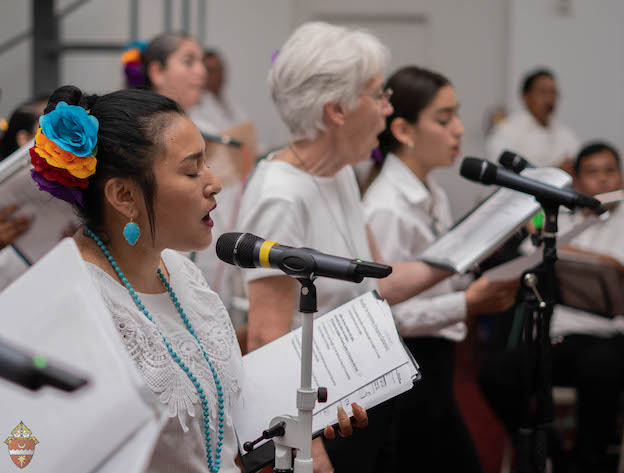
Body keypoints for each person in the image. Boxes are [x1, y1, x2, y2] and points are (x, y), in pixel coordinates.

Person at [29, 85, 366, 473]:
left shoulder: (183, 273)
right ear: (123, 195)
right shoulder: (75, 305)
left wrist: (300, 424)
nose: (214, 182)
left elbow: (222, 430)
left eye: (206, 163)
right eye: (192, 170)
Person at [236, 22, 460, 473]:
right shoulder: (281, 193)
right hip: (320, 420)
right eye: (378, 96)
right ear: (337, 110)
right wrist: (308, 450)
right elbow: (265, 337)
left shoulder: (339, 171)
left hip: (360, 397)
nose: (387, 109)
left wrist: (461, 257)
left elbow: (377, 281)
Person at [363, 65, 519, 473]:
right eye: (444, 119)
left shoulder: (432, 193)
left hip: (436, 364)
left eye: (457, 116)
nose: (460, 130)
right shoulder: (386, 207)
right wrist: (466, 304)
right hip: (406, 367)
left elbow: (442, 276)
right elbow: (384, 315)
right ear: (403, 130)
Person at [479, 142, 624, 472]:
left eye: (610, 171)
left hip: (613, 338)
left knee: (600, 368)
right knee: (496, 373)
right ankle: (556, 458)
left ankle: (592, 460)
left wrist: (563, 250)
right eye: (593, 172)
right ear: (577, 180)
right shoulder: (565, 218)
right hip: (565, 337)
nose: (602, 180)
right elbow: (519, 261)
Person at [485, 68, 580, 171]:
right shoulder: (506, 131)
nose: (549, 100)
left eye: (553, 93)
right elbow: (500, 172)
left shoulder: (566, 135)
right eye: (543, 92)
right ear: (525, 96)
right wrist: (555, 171)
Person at [188, 49, 248, 136]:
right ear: (202, 73)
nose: (218, 75)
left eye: (220, 69)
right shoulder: (195, 106)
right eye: (212, 71)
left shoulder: (230, 103)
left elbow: (247, 129)